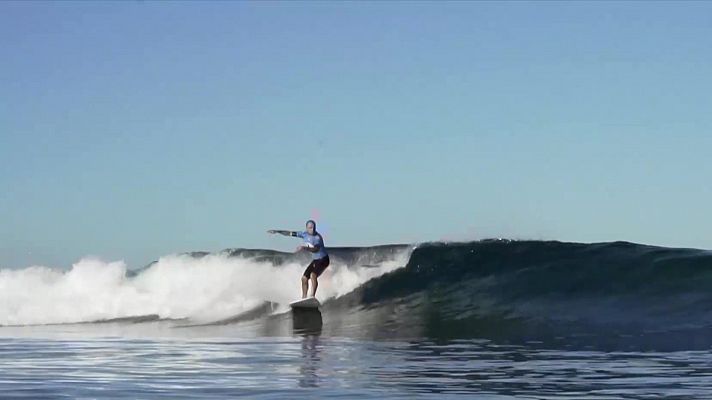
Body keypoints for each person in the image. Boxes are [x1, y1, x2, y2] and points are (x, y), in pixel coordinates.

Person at [267, 220, 329, 298]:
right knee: (304, 278)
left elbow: (315, 249)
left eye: (313, 227)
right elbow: (289, 233)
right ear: (306, 228)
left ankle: (312, 296)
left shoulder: (317, 238)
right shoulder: (304, 234)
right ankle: (304, 298)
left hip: (324, 260)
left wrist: (304, 247)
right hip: (316, 260)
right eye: (310, 228)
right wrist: (277, 231)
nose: (312, 229)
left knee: (313, 275)